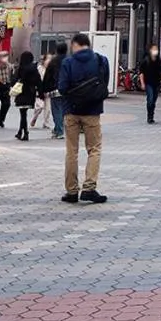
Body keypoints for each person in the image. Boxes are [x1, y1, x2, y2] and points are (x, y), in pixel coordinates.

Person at [58, 32, 109, 204]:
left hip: (71, 111)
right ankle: (89, 188)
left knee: (71, 150)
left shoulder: (68, 62)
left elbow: (62, 88)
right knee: (94, 149)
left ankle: (71, 191)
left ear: (75, 45)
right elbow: (104, 84)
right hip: (93, 112)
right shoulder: (101, 60)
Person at [13, 51, 42, 141]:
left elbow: (14, 79)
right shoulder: (34, 68)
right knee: (24, 113)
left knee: (23, 114)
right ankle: (20, 132)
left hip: (21, 92)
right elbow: (39, 81)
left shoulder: (20, 68)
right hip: (30, 92)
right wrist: (41, 92)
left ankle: (25, 132)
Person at [42, 42, 68, 139]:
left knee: (56, 110)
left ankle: (59, 130)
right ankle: (58, 129)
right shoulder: (70, 60)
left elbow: (47, 77)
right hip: (67, 90)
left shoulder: (53, 62)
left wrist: (44, 89)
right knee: (64, 110)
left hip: (55, 89)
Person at [139, 44, 161, 124]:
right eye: (154, 49)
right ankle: (149, 116)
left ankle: (151, 115)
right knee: (150, 99)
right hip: (148, 83)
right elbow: (141, 73)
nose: (155, 51)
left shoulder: (160, 61)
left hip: (157, 83)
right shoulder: (146, 61)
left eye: (156, 49)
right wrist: (142, 83)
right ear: (150, 51)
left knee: (154, 100)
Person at [0, 51, 13, 129]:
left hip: (6, 85)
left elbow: (11, 73)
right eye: (3, 57)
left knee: (7, 104)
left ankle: (1, 119)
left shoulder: (9, 65)